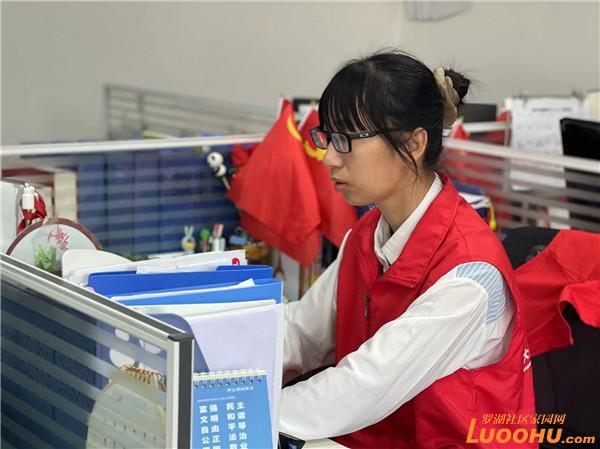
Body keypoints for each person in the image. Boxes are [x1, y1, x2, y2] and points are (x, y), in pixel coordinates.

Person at [278, 50, 536, 448]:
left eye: (346, 140)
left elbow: (364, 384)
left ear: (413, 143)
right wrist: (214, 366)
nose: (328, 158)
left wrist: (243, 411)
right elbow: (301, 334)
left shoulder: (471, 277)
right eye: (327, 137)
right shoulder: (366, 237)